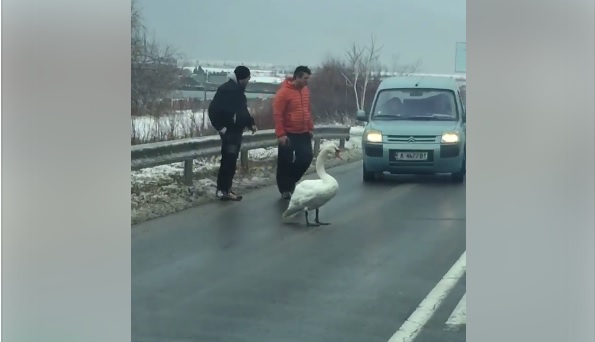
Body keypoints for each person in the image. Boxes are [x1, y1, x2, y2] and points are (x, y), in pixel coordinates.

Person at [208, 65, 258, 201]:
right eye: (247, 78)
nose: (248, 81)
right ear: (242, 78)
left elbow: (242, 111)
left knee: (231, 160)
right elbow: (212, 110)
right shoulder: (226, 90)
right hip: (229, 131)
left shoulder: (238, 91)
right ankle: (222, 190)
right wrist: (221, 128)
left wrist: (250, 123)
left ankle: (225, 189)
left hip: (236, 130)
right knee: (228, 161)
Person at [272, 66, 314, 200]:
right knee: (285, 162)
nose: (307, 81)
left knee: (306, 157)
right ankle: (285, 189)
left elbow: (307, 110)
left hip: (303, 132)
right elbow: (278, 115)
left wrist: (310, 127)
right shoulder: (283, 93)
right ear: (298, 77)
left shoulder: (306, 91)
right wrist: (281, 134)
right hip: (288, 133)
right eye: (305, 78)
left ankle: (290, 181)